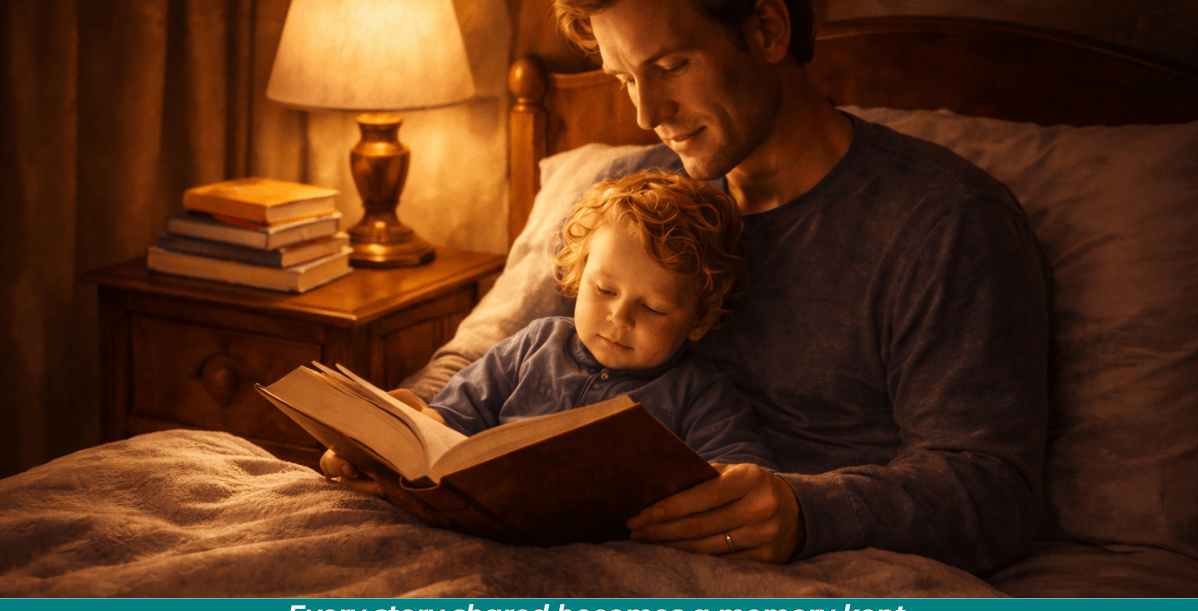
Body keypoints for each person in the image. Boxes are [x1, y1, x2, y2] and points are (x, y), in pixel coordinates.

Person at [327, 0, 1050, 572]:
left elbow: (994, 488)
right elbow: (503, 341)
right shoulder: (634, 188)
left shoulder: (943, 222)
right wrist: (403, 424)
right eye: (622, 78)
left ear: (766, 28)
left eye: (669, 64)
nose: (646, 113)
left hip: (782, 568)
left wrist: (805, 511)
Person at [421, 170, 776, 469]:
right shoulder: (535, 345)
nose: (620, 318)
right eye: (605, 290)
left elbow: (740, 477)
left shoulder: (699, 395)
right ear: (579, 275)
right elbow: (453, 414)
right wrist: (414, 429)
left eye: (654, 308)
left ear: (700, 320)